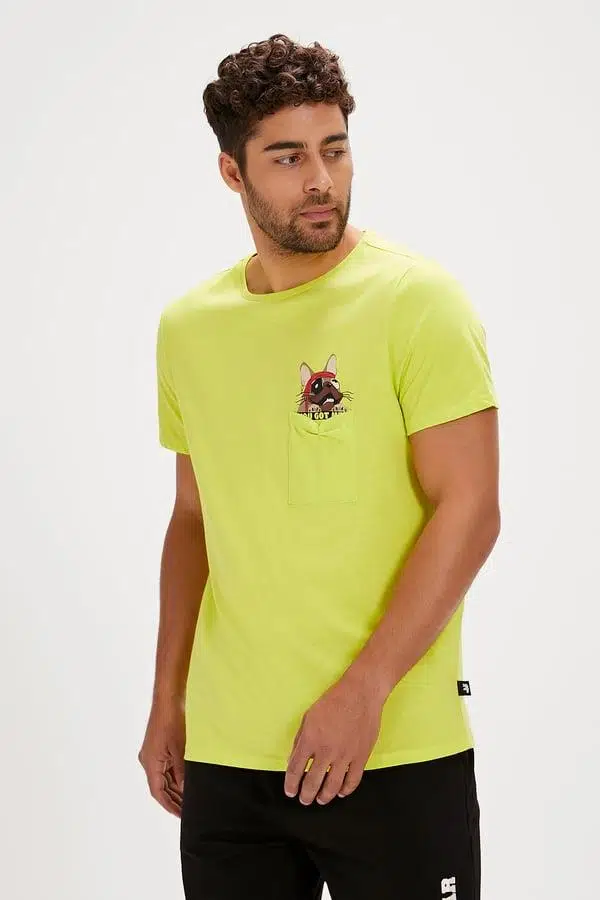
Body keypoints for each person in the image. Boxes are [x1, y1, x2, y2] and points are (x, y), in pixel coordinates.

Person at [138, 32, 500, 900]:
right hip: (232, 756)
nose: (320, 180)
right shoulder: (189, 328)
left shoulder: (416, 301)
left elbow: (471, 508)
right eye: (288, 157)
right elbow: (193, 517)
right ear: (232, 173)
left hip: (393, 747)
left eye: (334, 150)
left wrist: (364, 692)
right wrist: (167, 698)